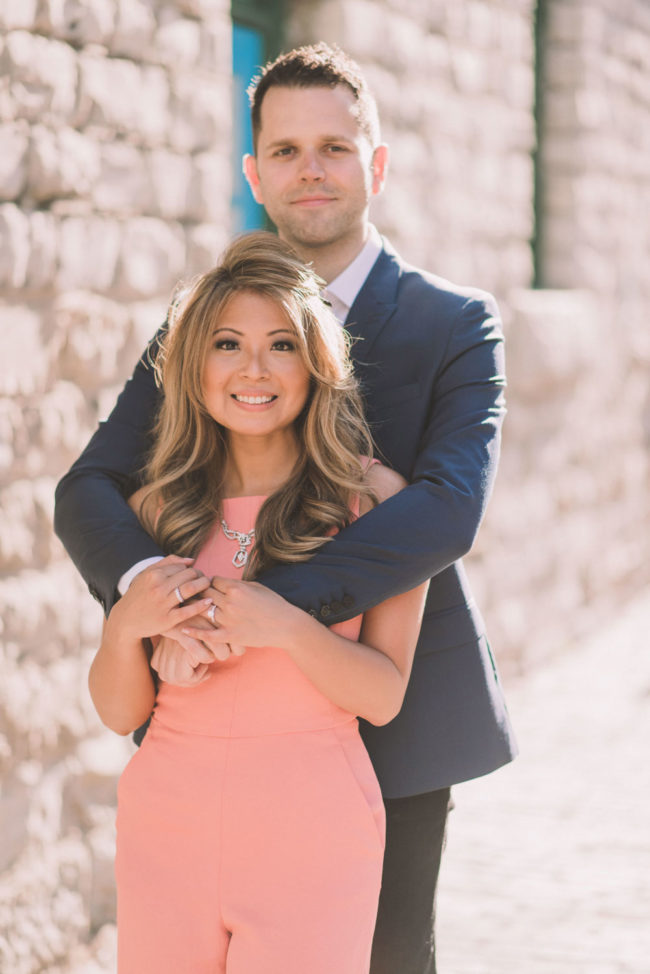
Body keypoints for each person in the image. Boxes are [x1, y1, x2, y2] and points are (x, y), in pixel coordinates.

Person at [55, 43, 517, 974]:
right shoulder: (200, 328)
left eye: (335, 148)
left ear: (376, 164)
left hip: (394, 703)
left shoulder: (454, 322)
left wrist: (258, 607)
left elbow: (446, 510)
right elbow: (88, 487)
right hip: (204, 726)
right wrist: (158, 597)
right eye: (286, 150)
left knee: (388, 958)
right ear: (254, 173)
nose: (311, 170)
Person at [88, 231, 428, 973]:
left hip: (313, 832)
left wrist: (288, 628)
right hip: (166, 825)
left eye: (281, 345)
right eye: (227, 344)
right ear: (195, 365)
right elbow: (119, 713)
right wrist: (125, 630)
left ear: (315, 363)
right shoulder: (154, 510)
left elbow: (383, 696)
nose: (253, 369)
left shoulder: (375, 502)